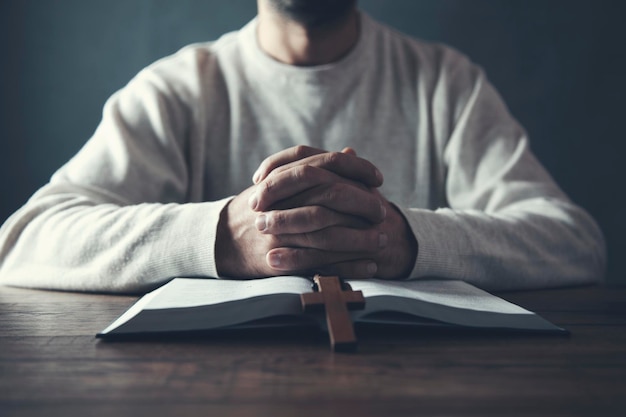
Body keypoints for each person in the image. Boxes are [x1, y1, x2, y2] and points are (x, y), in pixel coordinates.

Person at [0, 0, 606, 293]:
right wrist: (223, 236)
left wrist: (402, 239)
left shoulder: (446, 83)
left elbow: (573, 241)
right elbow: (24, 239)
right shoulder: (178, 89)